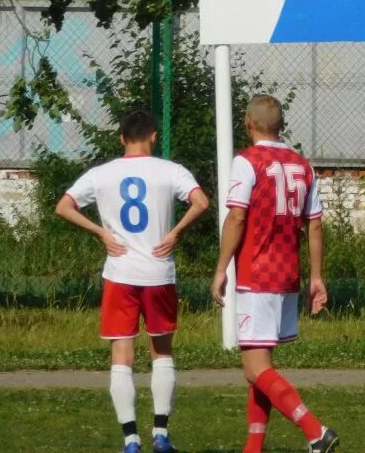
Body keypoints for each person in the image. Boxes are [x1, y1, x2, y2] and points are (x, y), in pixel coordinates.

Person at [55, 110, 209, 453]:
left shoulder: (101, 174)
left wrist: (101, 233)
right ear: (153, 136)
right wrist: (175, 232)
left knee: (121, 355)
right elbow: (201, 202)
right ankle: (161, 434)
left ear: (121, 138)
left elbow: (63, 206)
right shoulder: (171, 171)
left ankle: (130, 440)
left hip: (120, 273)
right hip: (158, 272)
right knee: (162, 352)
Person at [213, 94, 338, 453]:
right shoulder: (303, 165)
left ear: (248, 124)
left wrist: (222, 267)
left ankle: (316, 431)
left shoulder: (247, 161)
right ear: (280, 126)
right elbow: (314, 226)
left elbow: (237, 216)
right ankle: (253, 448)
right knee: (259, 366)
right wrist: (316, 277)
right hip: (288, 274)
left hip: (257, 273)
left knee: (255, 368)